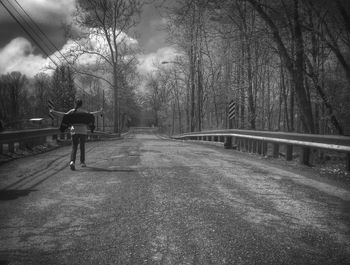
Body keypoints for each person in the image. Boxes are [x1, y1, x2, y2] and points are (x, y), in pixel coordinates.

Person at [50, 99, 103, 170]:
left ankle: (72, 162)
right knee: (82, 147)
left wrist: (53, 111)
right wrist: (100, 111)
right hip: (83, 131)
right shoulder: (85, 112)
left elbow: (64, 115)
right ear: (82, 104)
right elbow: (92, 114)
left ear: (75, 104)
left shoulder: (72, 111)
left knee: (74, 147)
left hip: (74, 131)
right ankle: (82, 162)